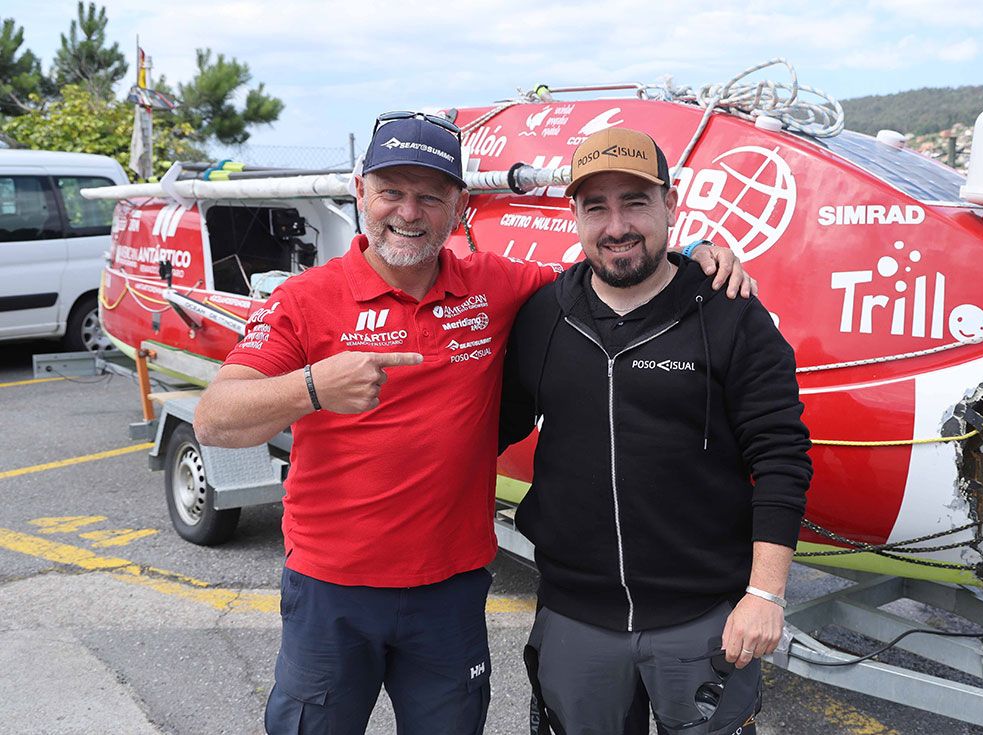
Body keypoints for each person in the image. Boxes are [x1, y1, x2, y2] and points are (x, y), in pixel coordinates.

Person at [191, 112, 752, 735]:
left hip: (450, 592)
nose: (408, 213)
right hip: (332, 590)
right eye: (391, 193)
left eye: (430, 196)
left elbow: (611, 270)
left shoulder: (494, 284)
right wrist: (314, 387)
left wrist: (697, 255)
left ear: (459, 206)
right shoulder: (305, 298)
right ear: (360, 193)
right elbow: (216, 421)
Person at [499, 127, 813, 735]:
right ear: (576, 217)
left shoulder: (730, 313)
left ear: (671, 205)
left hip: (702, 621)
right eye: (597, 207)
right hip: (574, 616)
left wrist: (765, 595)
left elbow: (781, 455)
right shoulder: (544, 316)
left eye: (635, 202)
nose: (617, 225)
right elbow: (494, 425)